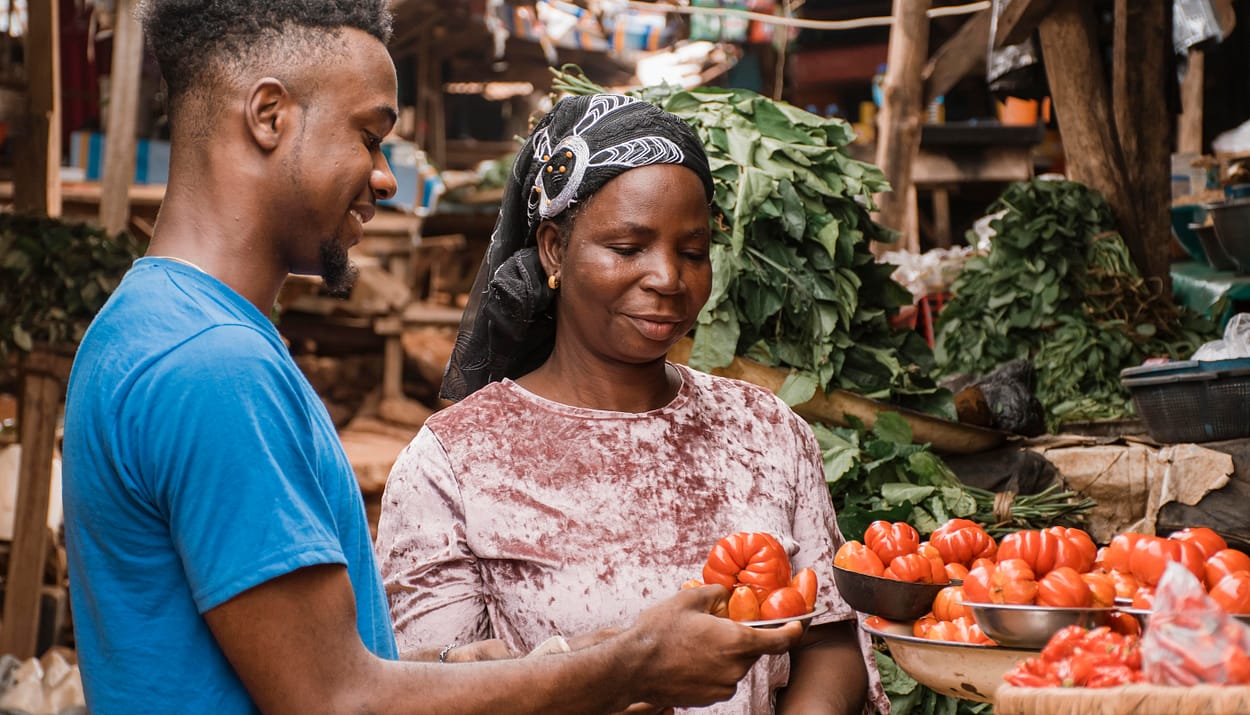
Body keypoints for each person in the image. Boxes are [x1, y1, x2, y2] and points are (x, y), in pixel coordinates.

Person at [60, 2, 805, 713]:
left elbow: (306, 667)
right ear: (268, 115)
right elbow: (335, 699)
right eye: (369, 135)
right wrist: (624, 668)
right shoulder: (213, 368)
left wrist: (472, 667)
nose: (385, 176)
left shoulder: (141, 325)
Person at [374, 94, 884, 713]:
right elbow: (431, 693)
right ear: (555, 249)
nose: (668, 278)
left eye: (693, 253)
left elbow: (828, 640)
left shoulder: (767, 431)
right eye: (627, 248)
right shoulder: (454, 462)